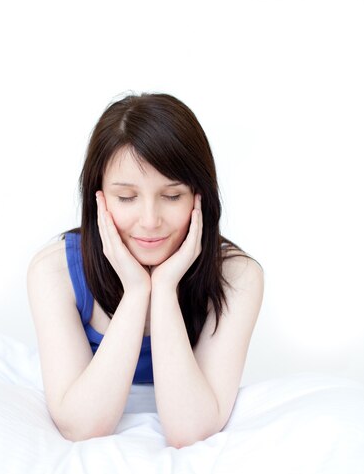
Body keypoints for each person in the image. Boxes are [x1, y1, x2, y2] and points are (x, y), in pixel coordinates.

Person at [27, 92, 264, 448]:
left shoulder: (238, 277)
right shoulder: (54, 270)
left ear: (200, 197)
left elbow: (189, 430)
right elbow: (81, 426)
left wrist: (165, 287)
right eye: (126, 198)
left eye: (172, 196)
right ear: (99, 198)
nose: (150, 221)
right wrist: (137, 291)